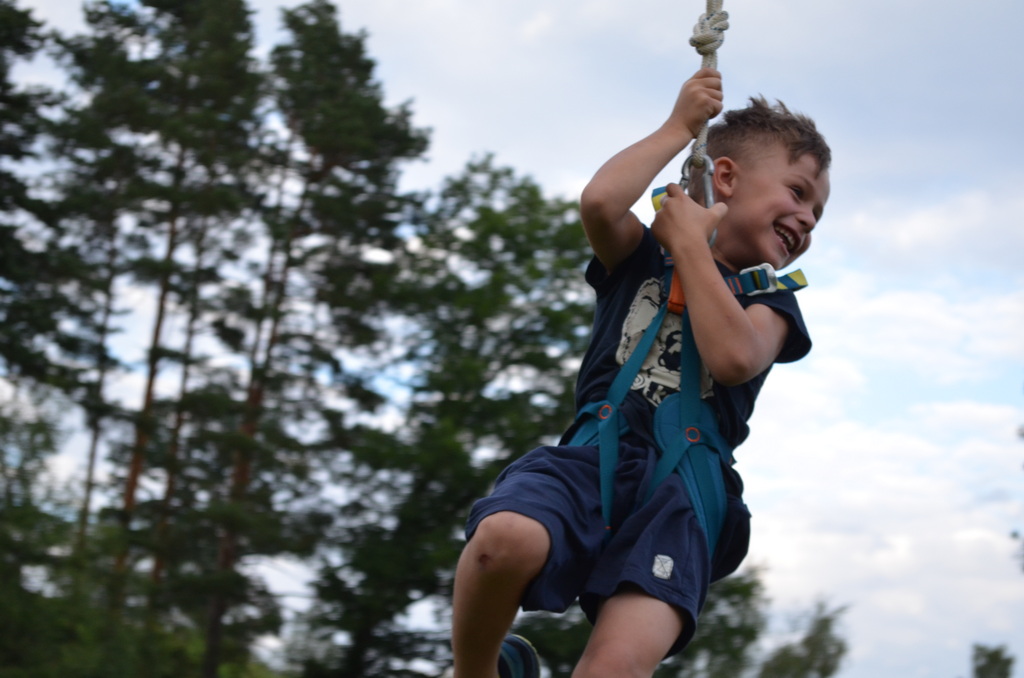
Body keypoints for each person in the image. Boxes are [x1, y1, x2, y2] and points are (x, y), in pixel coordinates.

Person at [449, 67, 831, 678]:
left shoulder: (772, 301)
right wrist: (679, 127)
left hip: (682, 495)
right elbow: (601, 203)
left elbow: (734, 358)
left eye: (817, 210)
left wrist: (690, 246)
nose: (808, 218)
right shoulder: (643, 258)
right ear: (726, 177)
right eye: (798, 192)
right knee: (503, 542)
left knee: (614, 668)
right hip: (596, 455)